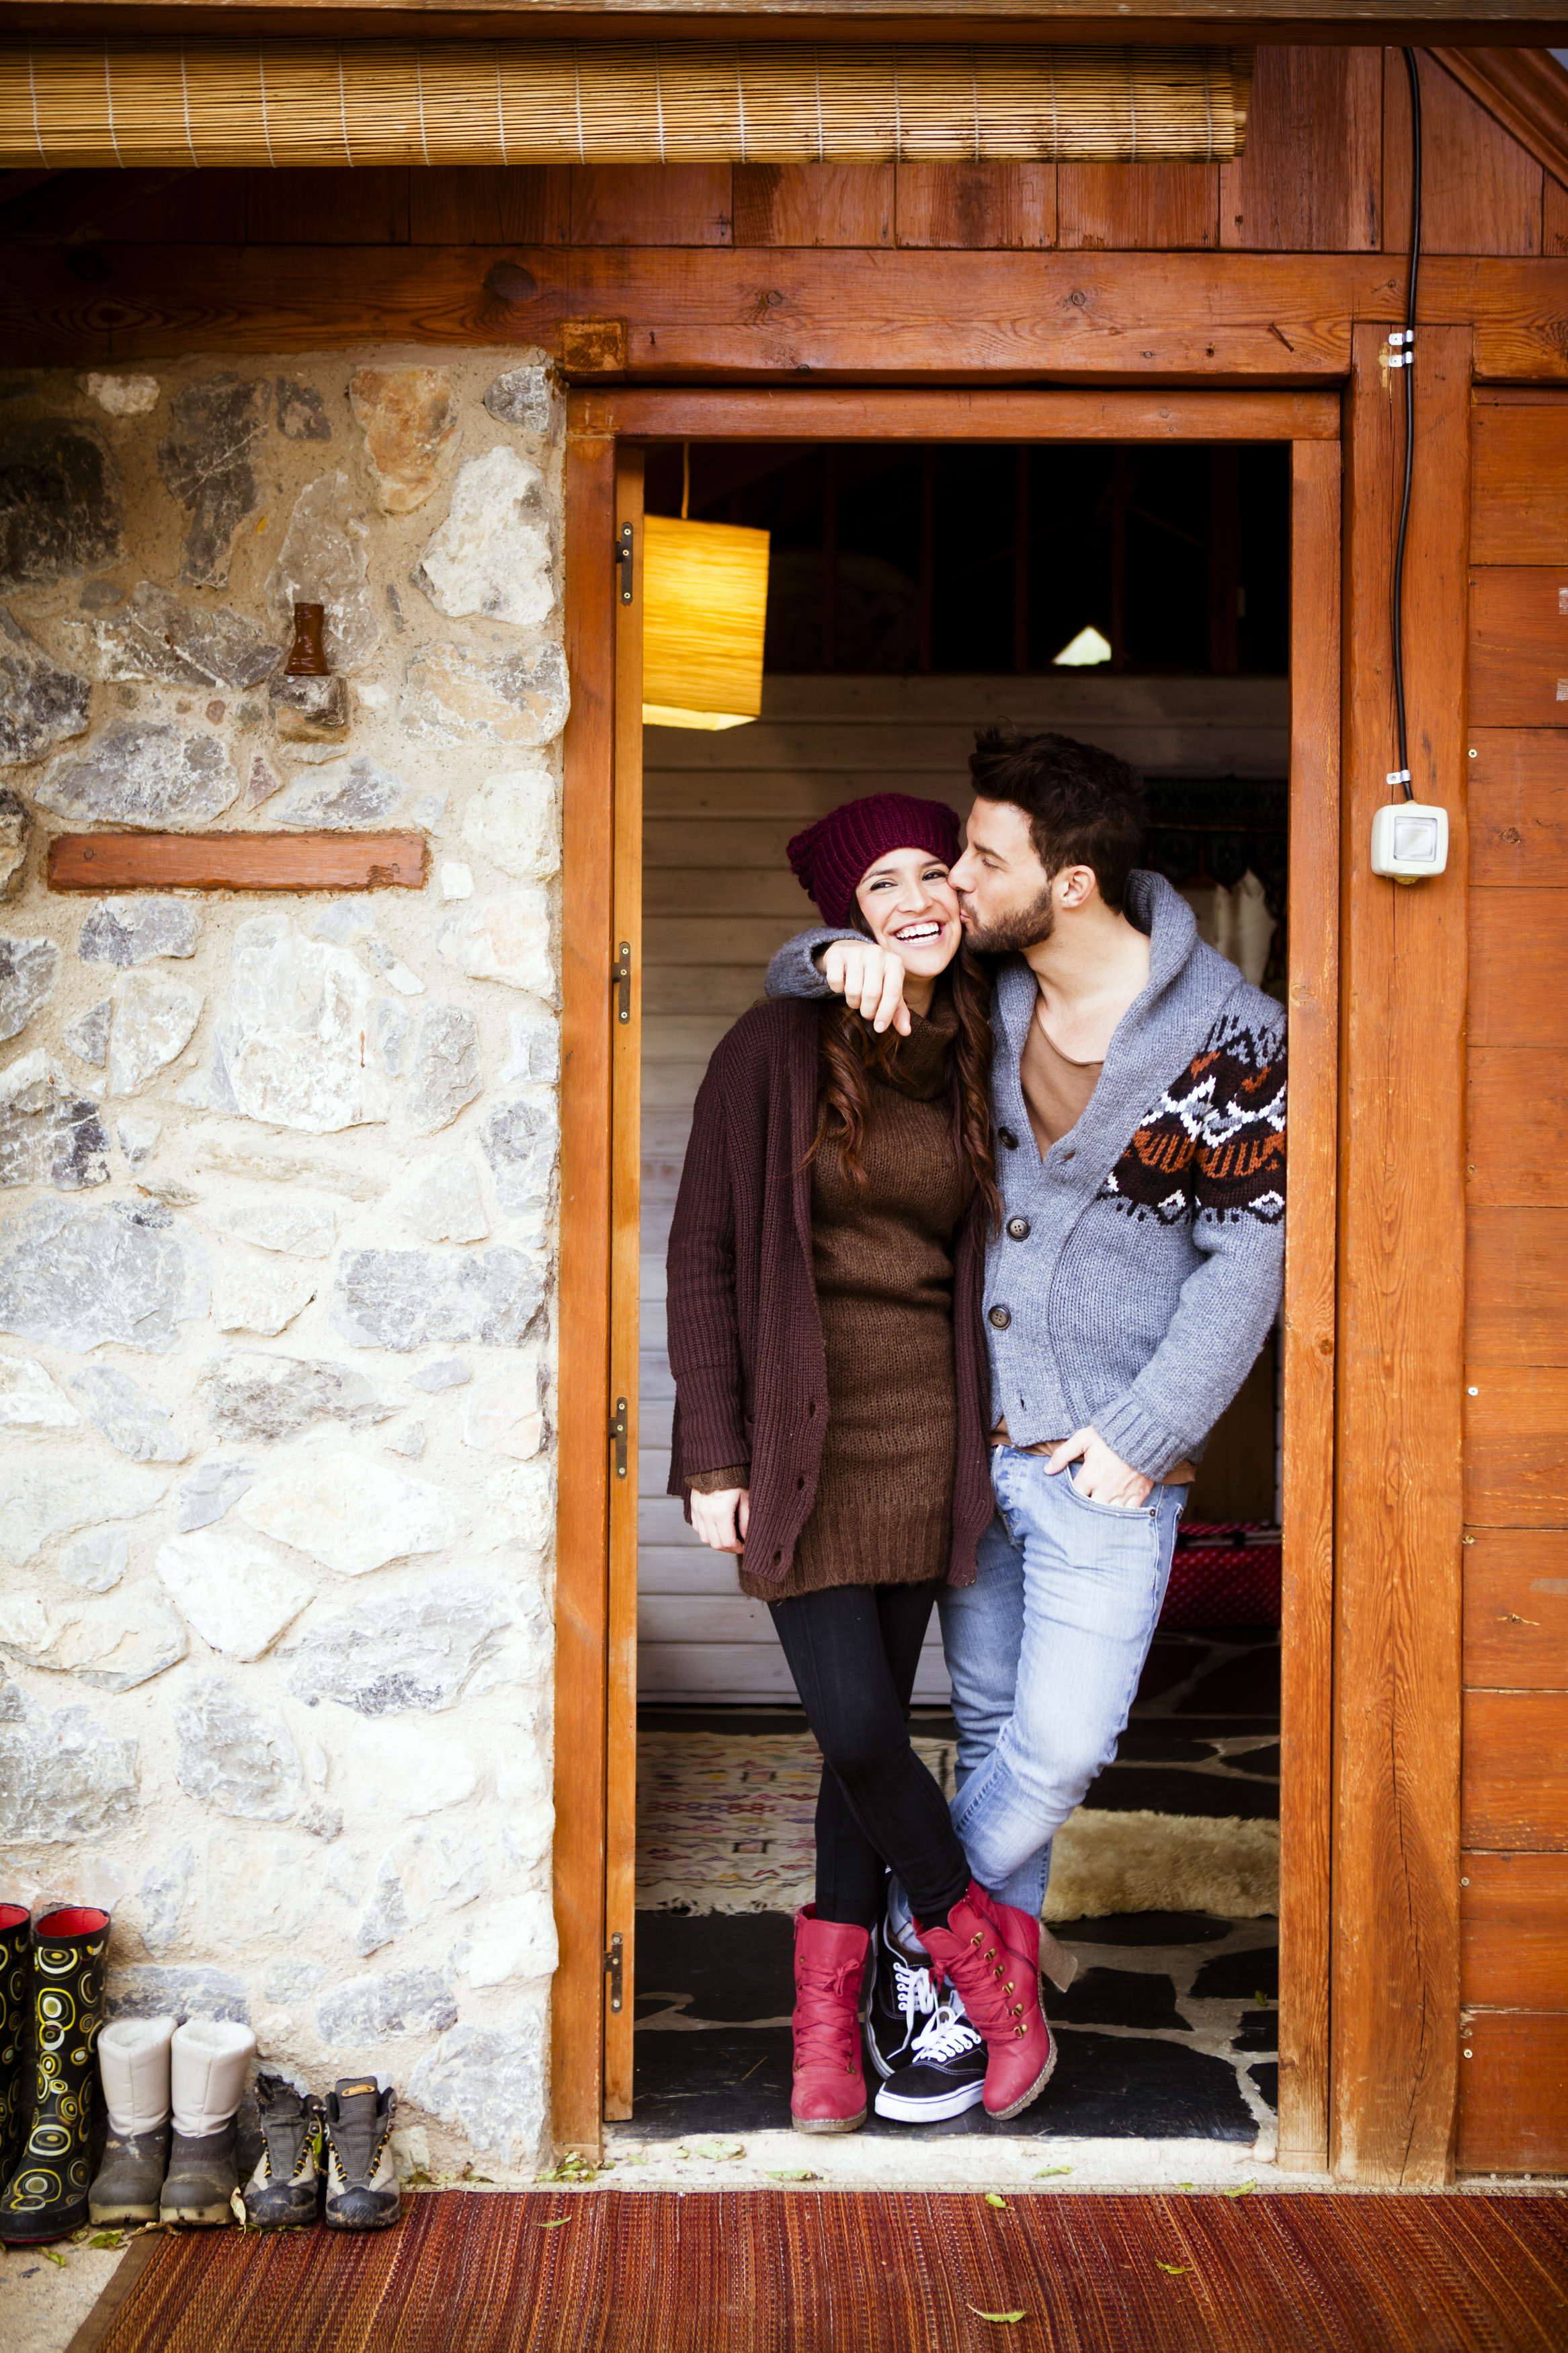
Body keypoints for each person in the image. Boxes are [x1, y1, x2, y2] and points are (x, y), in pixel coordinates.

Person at [766, 729, 1286, 1980]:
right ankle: (984, 1997)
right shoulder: (983, 999)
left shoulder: (1237, 1033)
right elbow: (799, 978)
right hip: (969, 1438)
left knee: (1057, 1749)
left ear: (1067, 884)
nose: (950, 879)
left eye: (979, 858)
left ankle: (917, 1941)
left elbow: (1251, 1257)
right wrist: (830, 949)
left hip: (1104, 1459)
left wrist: (1149, 1437)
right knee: (989, 1726)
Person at [665, 793, 1061, 2137]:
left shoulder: (981, 1038)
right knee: (860, 1730)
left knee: (863, 1754)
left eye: (931, 871)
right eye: (881, 882)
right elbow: (705, 1258)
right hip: (802, 1441)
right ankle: (982, 1966)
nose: (915, 898)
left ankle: (826, 2041)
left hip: (928, 1439)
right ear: (846, 913)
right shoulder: (771, 1045)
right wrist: (711, 1451)